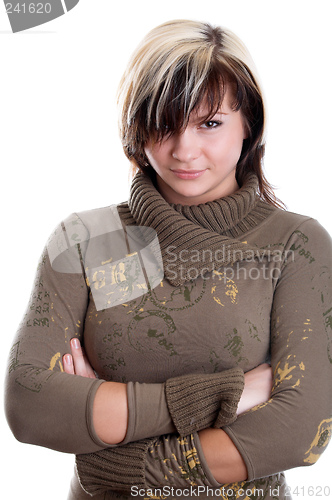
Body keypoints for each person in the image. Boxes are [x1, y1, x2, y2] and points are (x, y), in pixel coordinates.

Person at [4, 19, 332, 500]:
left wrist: (116, 463)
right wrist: (226, 395)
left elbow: (303, 429)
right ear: (137, 128)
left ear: (251, 126)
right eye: (164, 124)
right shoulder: (85, 240)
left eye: (210, 123)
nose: (184, 150)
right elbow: (28, 403)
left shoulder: (294, 246)